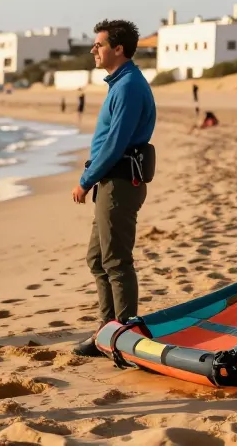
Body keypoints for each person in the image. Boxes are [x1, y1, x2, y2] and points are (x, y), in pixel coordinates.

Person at [71, 19, 157, 357]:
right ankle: (106, 332)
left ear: (117, 49)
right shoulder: (120, 83)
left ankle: (125, 336)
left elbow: (116, 143)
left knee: (116, 260)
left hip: (120, 183)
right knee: (97, 258)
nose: (94, 49)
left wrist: (85, 181)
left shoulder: (128, 86)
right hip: (112, 181)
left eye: (99, 44)